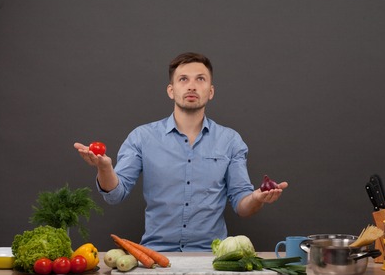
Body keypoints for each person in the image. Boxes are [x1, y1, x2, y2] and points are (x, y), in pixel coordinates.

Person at [74, 52, 288, 252]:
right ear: (171, 90)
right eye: (183, 79)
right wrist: (104, 168)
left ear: (211, 91)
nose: (192, 86)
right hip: (155, 256)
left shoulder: (230, 141)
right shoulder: (142, 137)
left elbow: (242, 206)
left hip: (212, 257)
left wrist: (258, 198)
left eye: (200, 79)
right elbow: (115, 195)